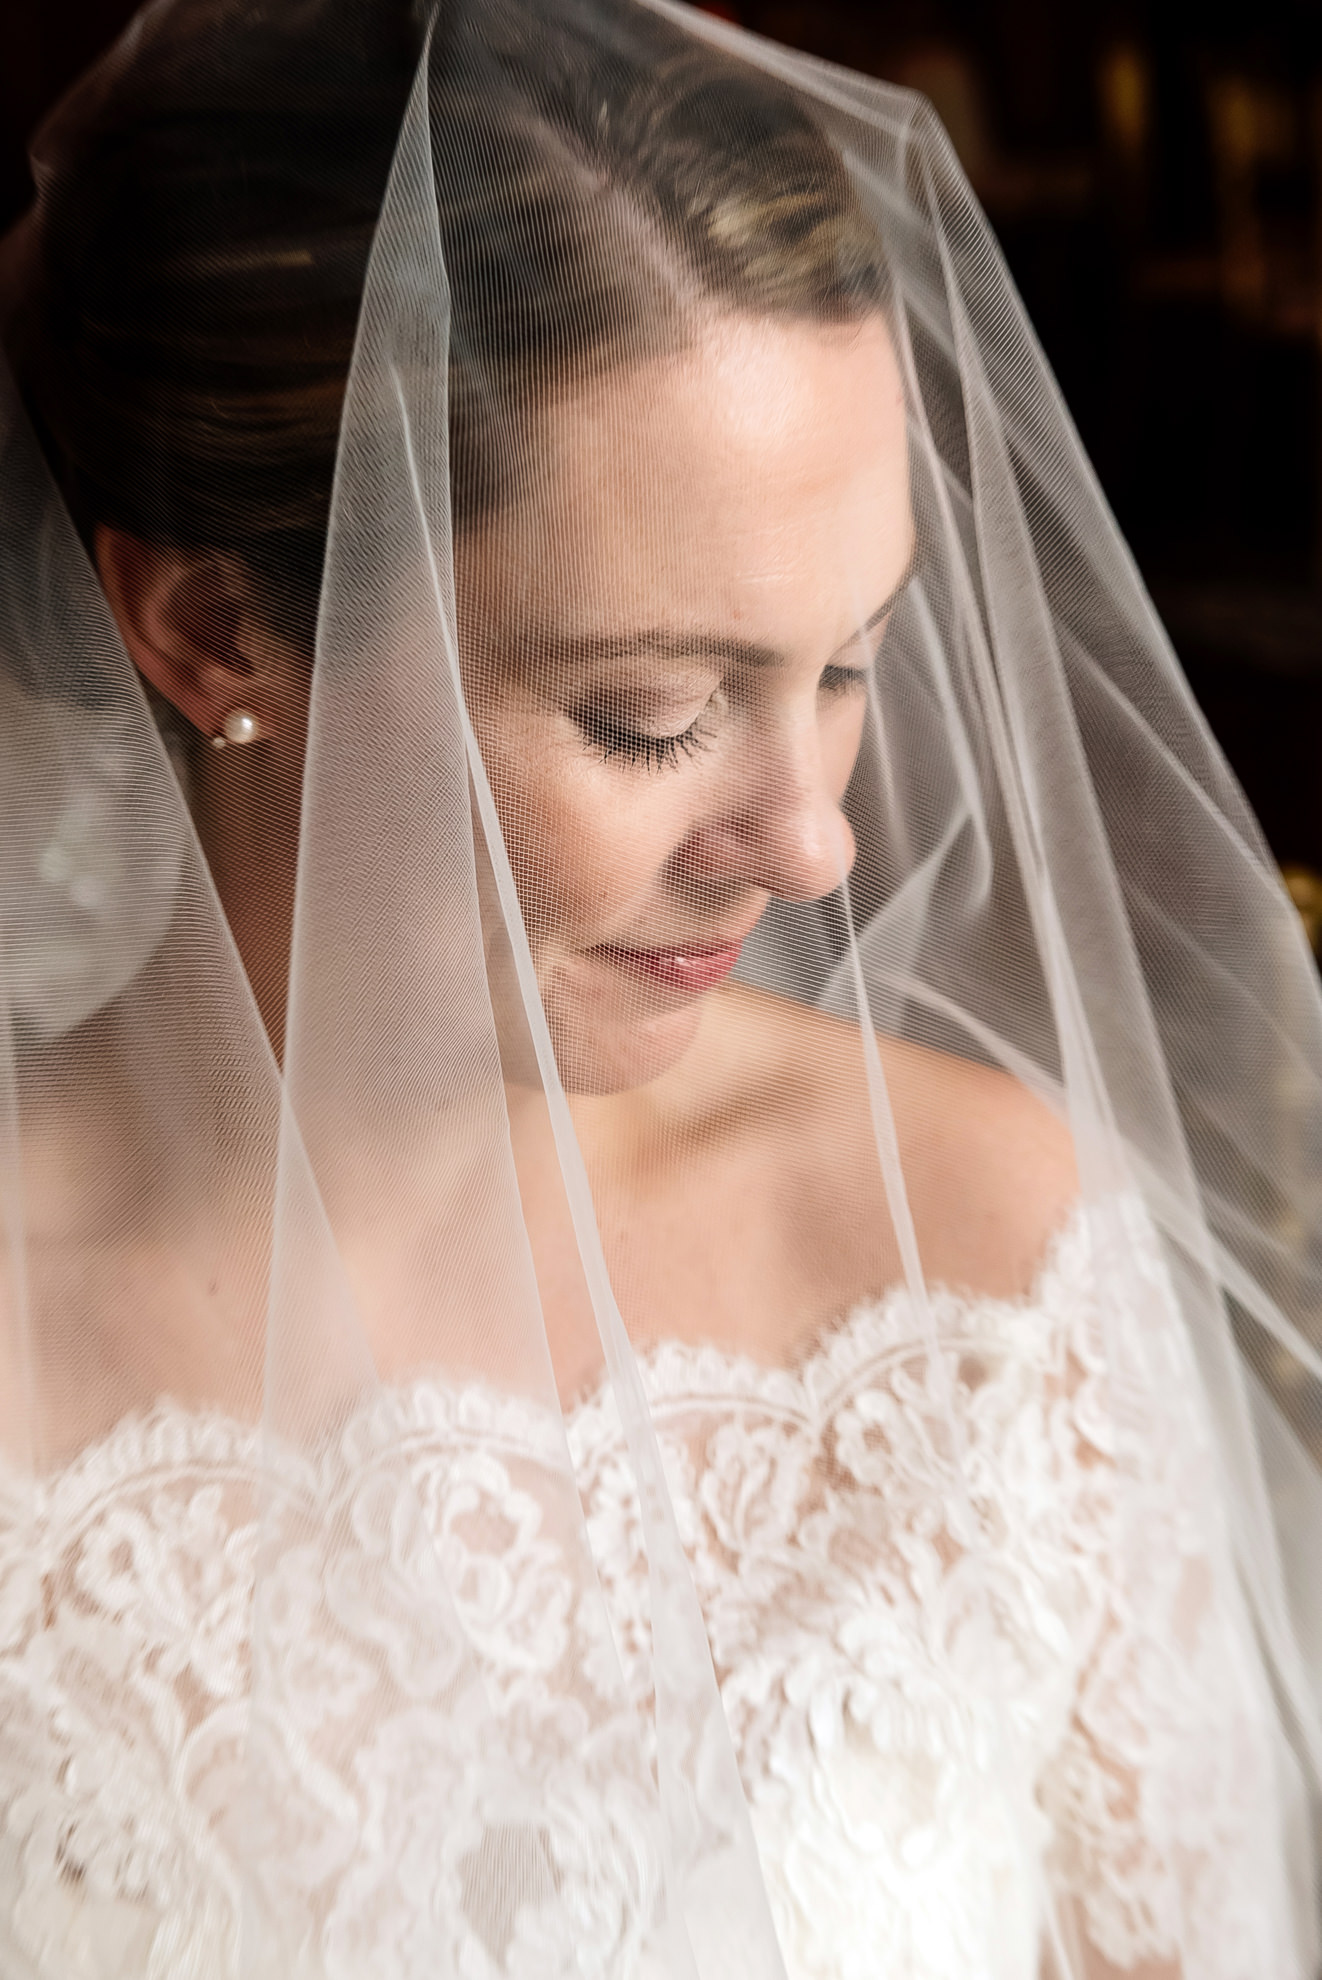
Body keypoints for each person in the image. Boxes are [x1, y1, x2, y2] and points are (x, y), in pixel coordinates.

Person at [1, 0, 1320, 1974]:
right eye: (651, 715)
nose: (810, 843)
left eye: (850, 664)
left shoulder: (973, 1260)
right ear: (203, 630)